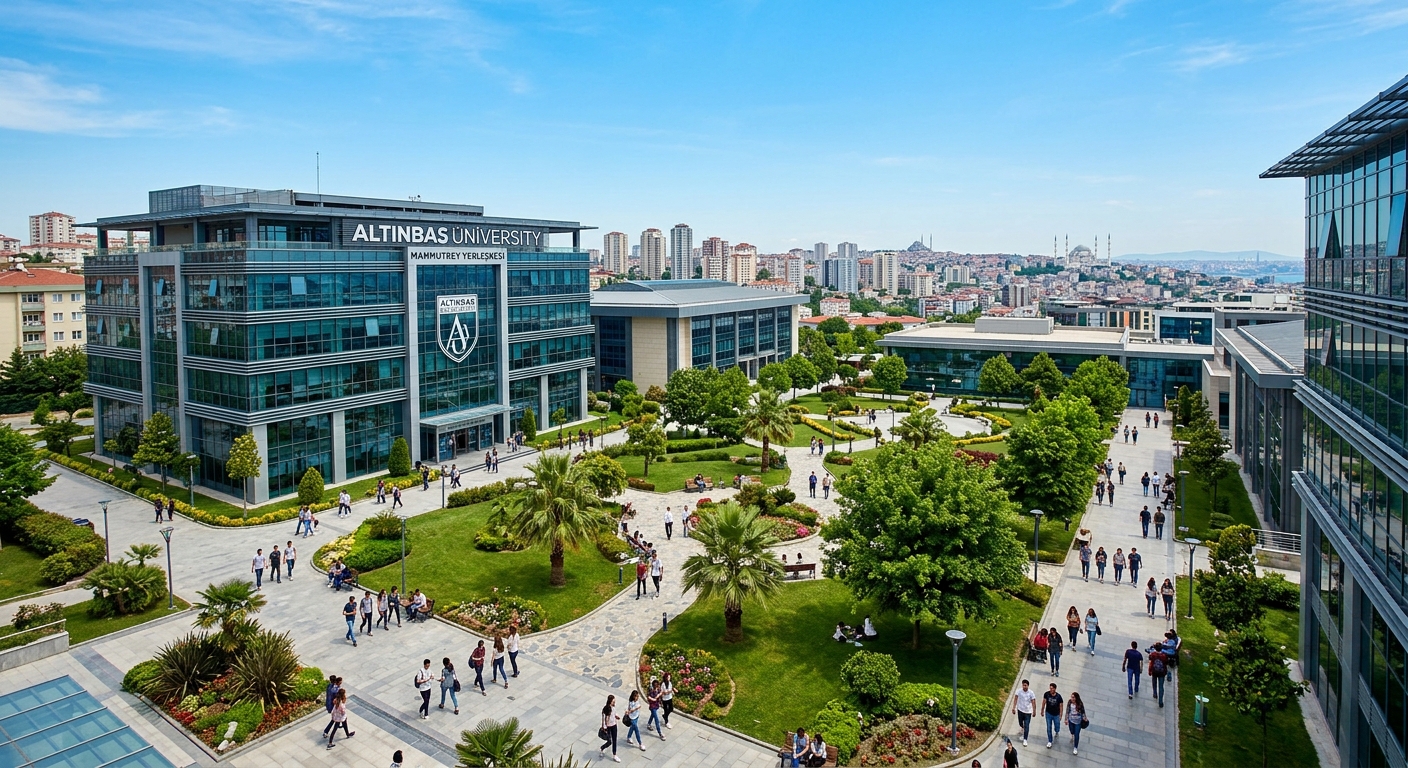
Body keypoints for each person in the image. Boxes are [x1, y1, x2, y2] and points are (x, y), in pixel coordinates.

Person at [1012, 679, 1036, 746]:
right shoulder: (1019, 691)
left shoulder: (1031, 693)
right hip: (1020, 710)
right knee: (1020, 722)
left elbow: (1033, 702)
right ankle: (1022, 727)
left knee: (1027, 725)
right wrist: (1013, 708)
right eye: (1023, 685)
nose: (1024, 687)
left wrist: (1034, 711)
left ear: (1028, 685)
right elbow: (1016, 698)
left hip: (1028, 712)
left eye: (1025, 685)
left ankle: (1025, 739)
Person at [1042, 683, 1063, 749]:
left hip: (1056, 714)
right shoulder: (1046, 694)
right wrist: (1042, 710)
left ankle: (1057, 731)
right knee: (1049, 727)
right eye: (1050, 688)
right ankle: (1050, 741)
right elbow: (1044, 702)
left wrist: (1061, 715)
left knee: (1057, 725)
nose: (1051, 690)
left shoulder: (1059, 697)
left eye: (1052, 688)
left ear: (1055, 689)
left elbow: (1061, 706)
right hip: (1048, 713)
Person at [600, 695, 620, 762]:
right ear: (610, 701)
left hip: (614, 725)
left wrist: (616, 716)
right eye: (613, 701)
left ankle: (614, 755)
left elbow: (614, 714)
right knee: (609, 741)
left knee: (614, 740)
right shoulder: (607, 709)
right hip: (608, 727)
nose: (614, 702)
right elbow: (605, 718)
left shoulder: (613, 707)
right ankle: (602, 748)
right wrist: (604, 727)